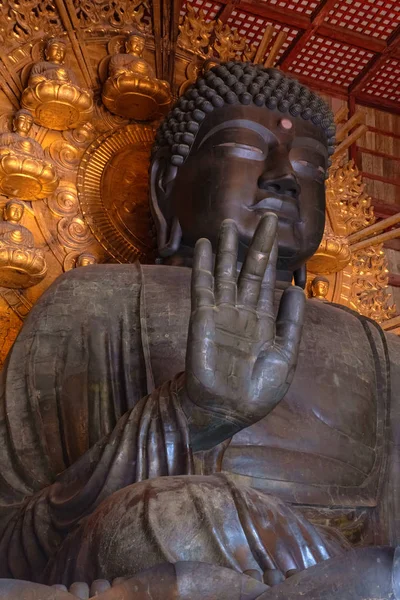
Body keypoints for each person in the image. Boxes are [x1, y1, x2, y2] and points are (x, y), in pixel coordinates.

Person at [0, 62, 398, 596]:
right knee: (170, 514)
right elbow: (10, 542)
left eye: (309, 164)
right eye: (246, 148)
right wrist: (186, 417)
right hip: (146, 554)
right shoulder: (90, 300)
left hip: (341, 577)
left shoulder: (379, 351)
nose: (283, 176)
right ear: (167, 185)